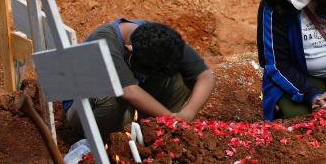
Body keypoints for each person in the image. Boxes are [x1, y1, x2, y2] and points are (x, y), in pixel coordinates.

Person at [65, 19, 215, 140]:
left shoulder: (162, 39)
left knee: (181, 77)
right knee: (113, 92)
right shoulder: (103, 40)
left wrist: (187, 114)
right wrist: (172, 120)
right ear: (129, 49)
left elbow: (205, 76)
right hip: (86, 111)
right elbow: (129, 91)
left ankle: (153, 131)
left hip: (129, 108)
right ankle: (113, 139)